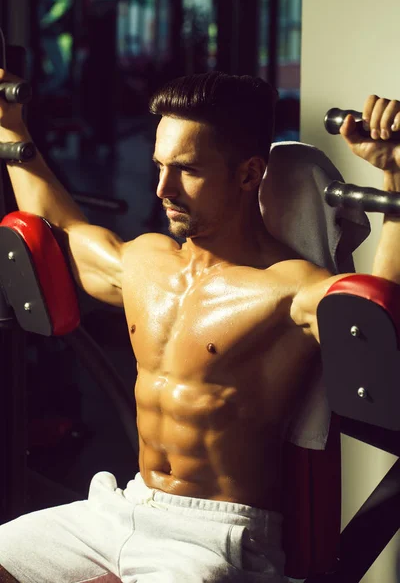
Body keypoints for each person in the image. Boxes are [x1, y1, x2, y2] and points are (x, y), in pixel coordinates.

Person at [0, 69, 399, 583]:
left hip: (216, 539)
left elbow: (373, 320)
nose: (163, 188)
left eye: (186, 170)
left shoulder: (284, 290)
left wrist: (396, 185)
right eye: (159, 166)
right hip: (122, 506)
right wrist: (13, 130)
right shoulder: (145, 261)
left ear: (249, 173)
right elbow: (64, 231)